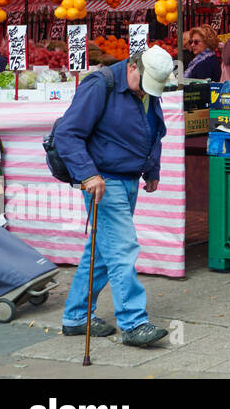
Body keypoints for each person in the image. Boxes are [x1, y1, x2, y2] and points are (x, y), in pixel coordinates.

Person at [55, 47, 173, 346]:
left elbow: (153, 131)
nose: (148, 93)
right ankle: (134, 322)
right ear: (133, 67)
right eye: (144, 84)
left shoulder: (146, 86)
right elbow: (68, 134)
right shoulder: (100, 84)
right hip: (104, 181)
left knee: (101, 252)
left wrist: (152, 169)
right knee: (122, 248)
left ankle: (76, 316)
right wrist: (88, 174)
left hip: (128, 179)